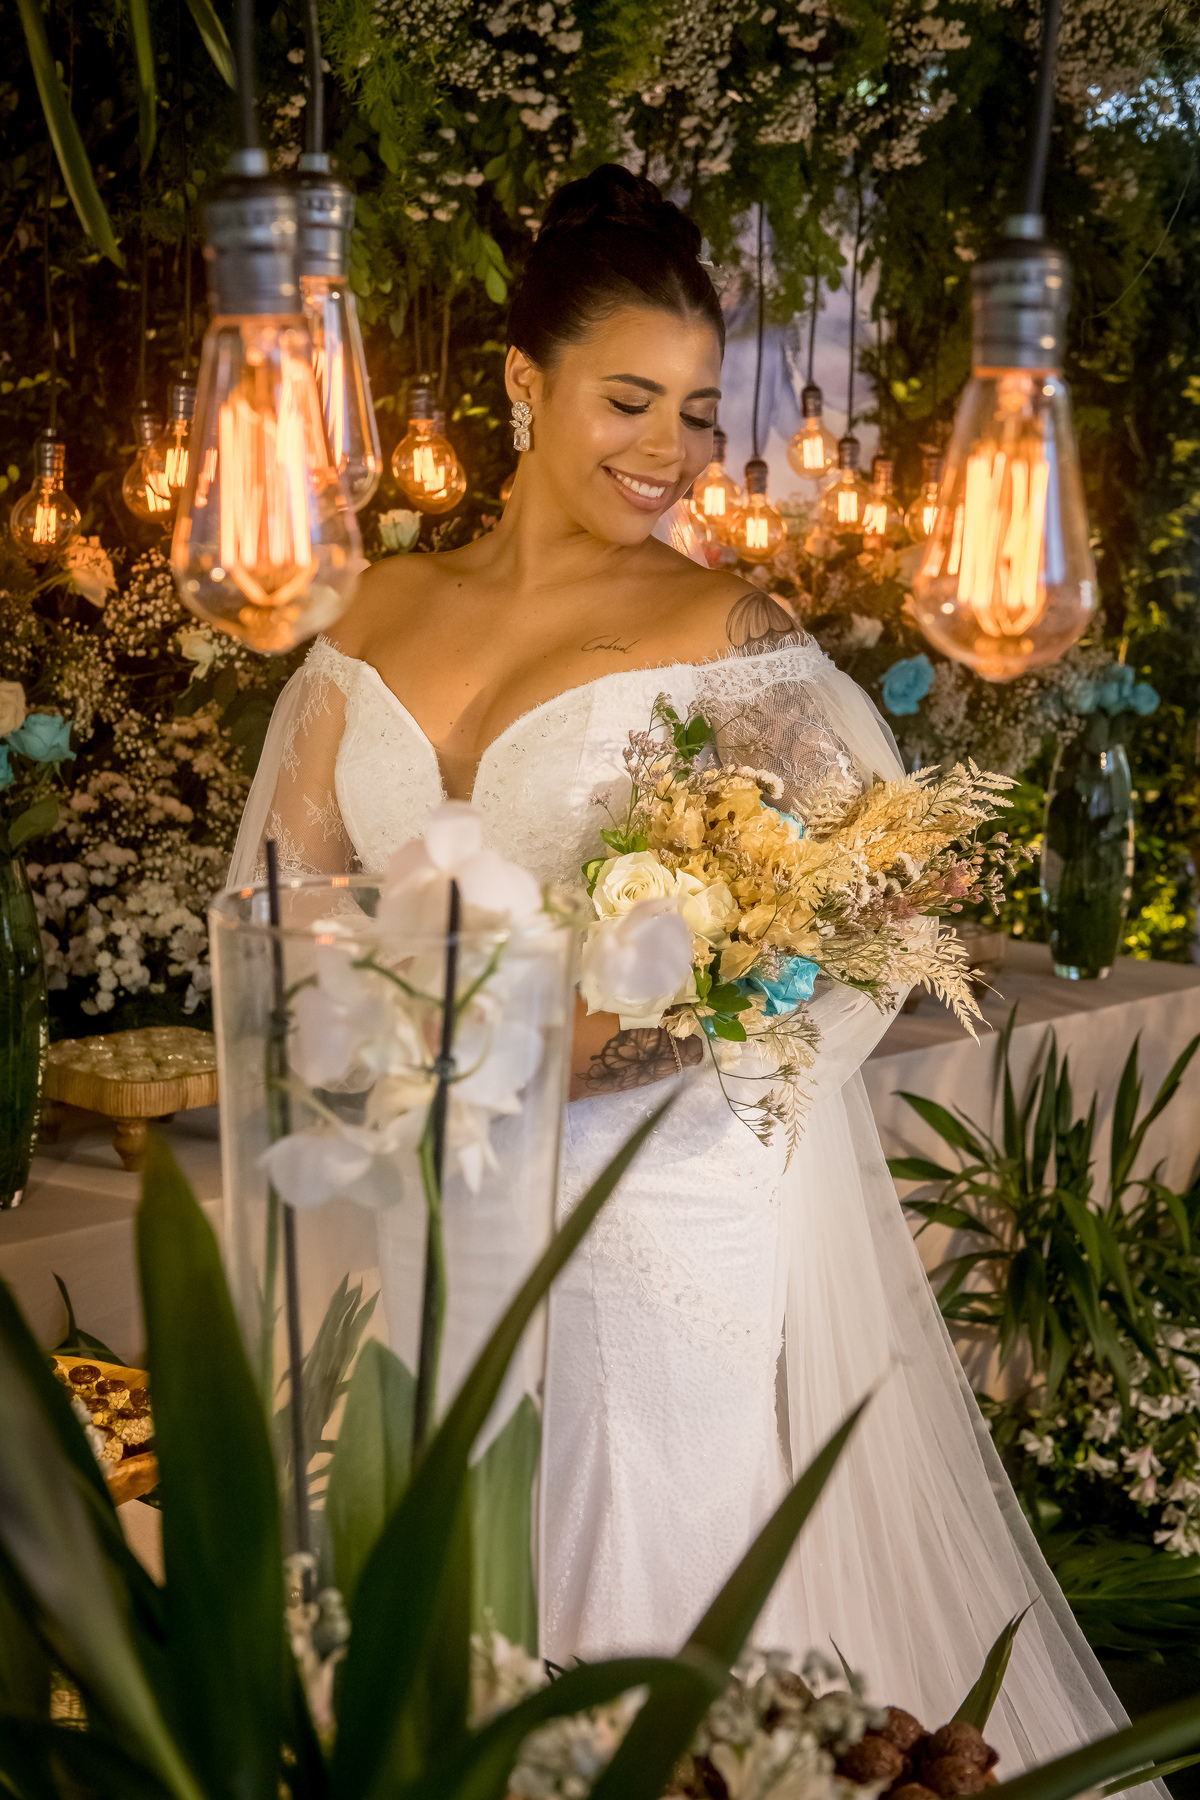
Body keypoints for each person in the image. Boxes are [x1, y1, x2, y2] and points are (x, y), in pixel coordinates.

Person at [229, 164, 1138, 1775]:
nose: (671, 453)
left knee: (634, 1596)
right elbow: (296, 891)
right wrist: (377, 1046)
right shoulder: (379, 601)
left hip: (649, 1201)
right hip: (419, 1178)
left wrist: (623, 1037)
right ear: (524, 383)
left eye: (699, 413)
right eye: (630, 401)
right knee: (438, 1583)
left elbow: (891, 882)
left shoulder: (722, 623)